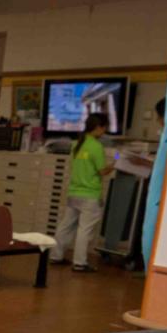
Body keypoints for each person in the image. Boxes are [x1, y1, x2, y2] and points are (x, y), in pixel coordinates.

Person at [50, 112, 114, 272]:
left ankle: (55, 256)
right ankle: (80, 263)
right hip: (90, 195)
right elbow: (102, 171)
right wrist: (117, 161)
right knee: (85, 230)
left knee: (65, 226)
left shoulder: (76, 143)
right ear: (99, 127)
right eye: (104, 128)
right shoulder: (96, 146)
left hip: (74, 192)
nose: (104, 132)